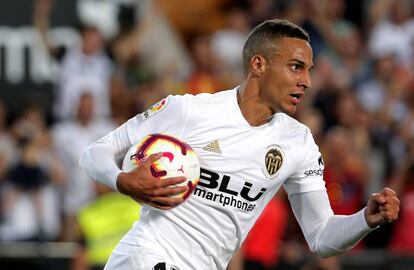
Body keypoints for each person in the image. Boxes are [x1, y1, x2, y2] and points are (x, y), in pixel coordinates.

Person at [79, 19, 400, 270]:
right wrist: (123, 181)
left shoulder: (298, 142)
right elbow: (95, 152)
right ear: (258, 65)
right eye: (295, 67)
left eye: (308, 70)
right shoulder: (188, 110)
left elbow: (320, 237)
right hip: (146, 257)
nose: (306, 81)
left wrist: (365, 220)